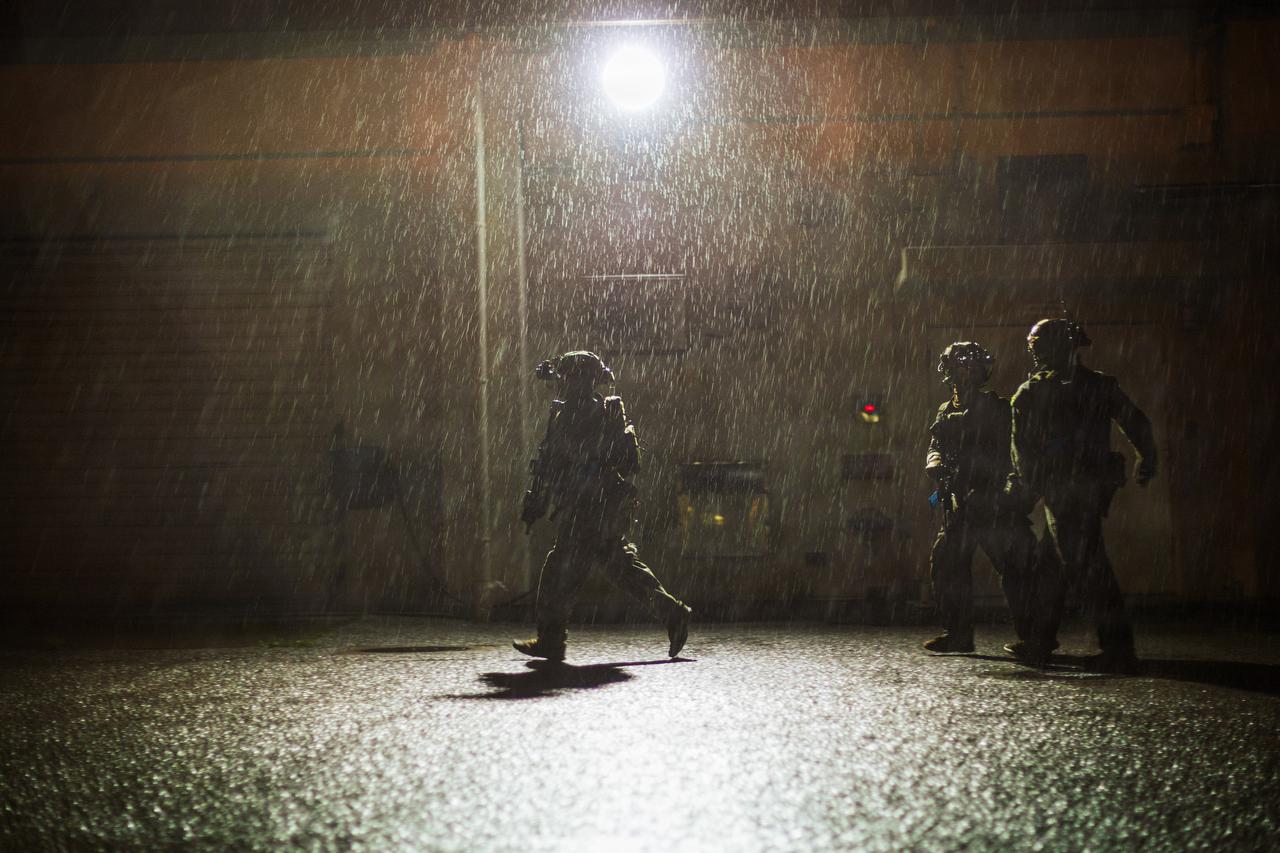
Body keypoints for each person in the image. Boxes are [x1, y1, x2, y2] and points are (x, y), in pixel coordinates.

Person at [515, 351, 692, 662]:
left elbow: (556, 462)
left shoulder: (576, 413)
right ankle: (672, 612)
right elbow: (550, 463)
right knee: (620, 566)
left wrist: (541, 499)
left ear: (576, 380)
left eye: (565, 377)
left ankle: (551, 639)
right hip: (599, 506)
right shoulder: (583, 410)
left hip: (588, 506)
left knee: (559, 570)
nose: (560, 384)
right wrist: (540, 497)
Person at [1005, 319, 1158, 671]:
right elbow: (1136, 423)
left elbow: (1023, 451)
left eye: (1041, 347)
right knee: (1052, 566)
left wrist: (1028, 489)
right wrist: (1146, 458)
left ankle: (1117, 648)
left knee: (1088, 566)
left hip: (1064, 491)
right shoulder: (1099, 386)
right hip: (1083, 488)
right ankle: (1040, 642)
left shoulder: (1032, 392)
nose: (1039, 353)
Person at [922, 342, 1039, 653]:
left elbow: (1013, 453)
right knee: (948, 564)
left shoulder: (998, 408)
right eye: (959, 368)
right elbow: (935, 447)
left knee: (1015, 568)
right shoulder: (945, 410)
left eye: (971, 368)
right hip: (960, 503)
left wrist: (1002, 489)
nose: (965, 375)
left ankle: (1036, 639)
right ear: (947, 372)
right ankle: (959, 634)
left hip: (992, 503)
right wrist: (934, 465)